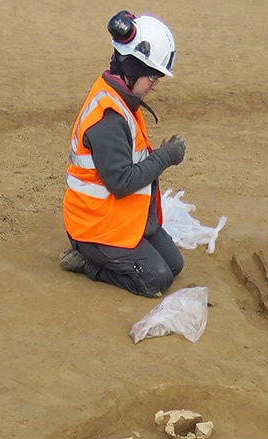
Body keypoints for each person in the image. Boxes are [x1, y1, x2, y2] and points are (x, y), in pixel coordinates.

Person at [60, 10, 187, 298]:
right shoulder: (109, 116)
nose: (155, 85)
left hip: (121, 217)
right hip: (95, 226)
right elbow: (121, 182)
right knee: (156, 280)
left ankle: (103, 256)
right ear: (132, 66)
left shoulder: (122, 98)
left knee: (174, 265)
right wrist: (165, 157)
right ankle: (89, 263)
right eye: (152, 77)